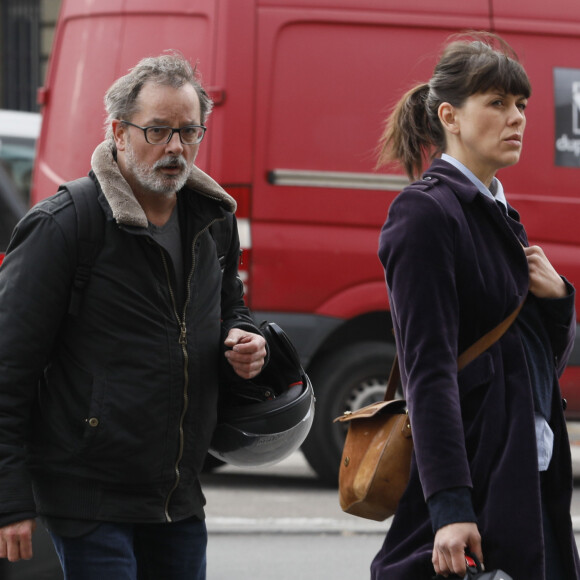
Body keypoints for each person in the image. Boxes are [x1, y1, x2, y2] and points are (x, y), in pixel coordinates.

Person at [0, 52, 267, 579]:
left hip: (178, 499)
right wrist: (10, 502)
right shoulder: (65, 226)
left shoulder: (212, 220)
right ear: (120, 132)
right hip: (88, 501)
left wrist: (244, 337)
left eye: (189, 132)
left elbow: (230, 304)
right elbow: (7, 368)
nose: (175, 147)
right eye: (158, 131)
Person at [372, 33, 580, 580]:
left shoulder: (500, 214)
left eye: (521, 106)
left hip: (527, 473)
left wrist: (558, 301)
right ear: (450, 116)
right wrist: (450, 507)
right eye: (496, 103)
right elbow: (429, 372)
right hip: (478, 476)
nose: (516, 118)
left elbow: (538, 366)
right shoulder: (426, 213)